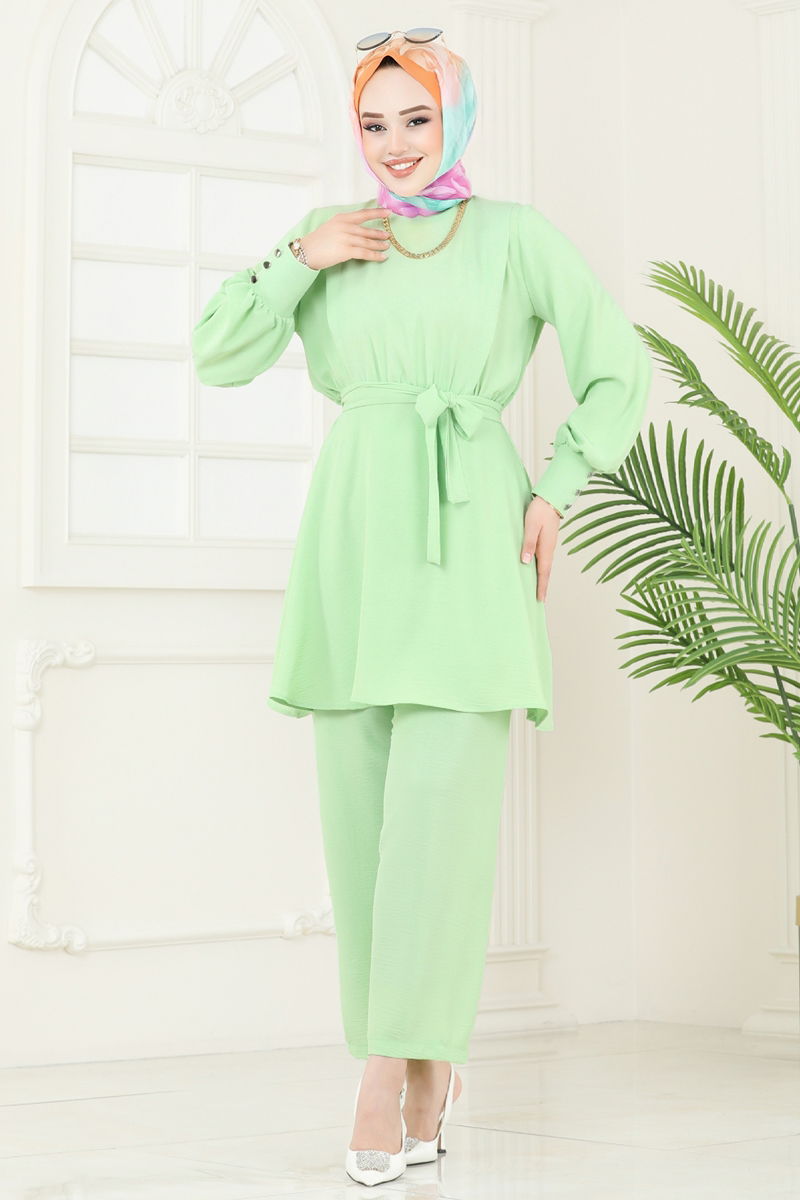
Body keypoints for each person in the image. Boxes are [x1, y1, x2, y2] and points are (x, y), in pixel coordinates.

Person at [191, 28, 652, 1187]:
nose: (394, 144)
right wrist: (298, 257)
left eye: (417, 118)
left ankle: (386, 1072)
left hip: (467, 536)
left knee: (437, 835)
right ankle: (418, 1063)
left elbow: (617, 366)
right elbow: (217, 353)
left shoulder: (512, 237)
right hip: (353, 543)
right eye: (374, 123)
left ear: (456, 118)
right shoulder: (329, 238)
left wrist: (553, 488)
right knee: (360, 833)